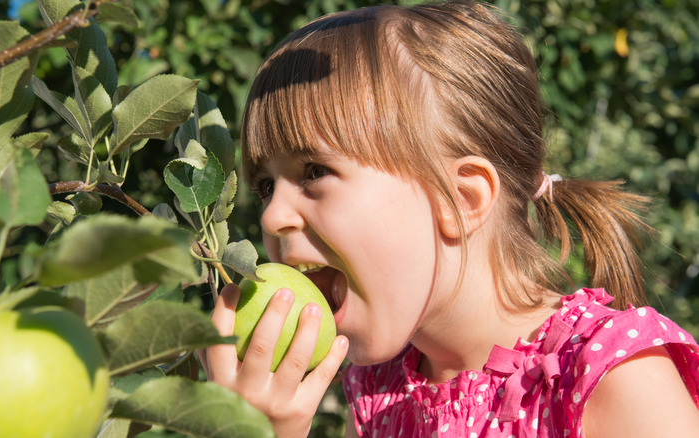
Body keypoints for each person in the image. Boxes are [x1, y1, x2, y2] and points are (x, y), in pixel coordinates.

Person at [199, 1, 699, 436]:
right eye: (266, 186)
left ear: (461, 199)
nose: (272, 215)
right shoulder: (378, 389)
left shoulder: (609, 377)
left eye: (314, 171)